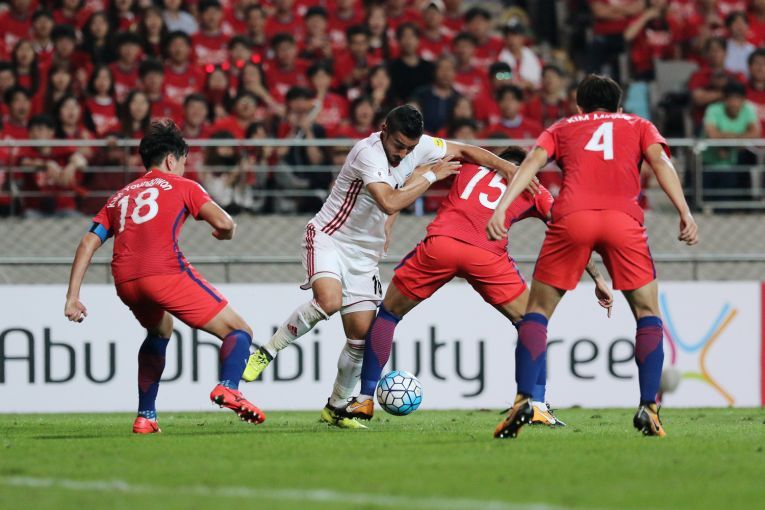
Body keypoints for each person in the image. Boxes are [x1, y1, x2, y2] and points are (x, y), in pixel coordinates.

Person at [241, 105, 535, 429]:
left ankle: (336, 407)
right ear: (384, 130)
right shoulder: (367, 153)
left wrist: (506, 167)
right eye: (398, 145)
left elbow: (465, 150)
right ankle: (266, 352)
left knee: (360, 339)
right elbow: (389, 201)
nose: (403, 154)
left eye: (410, 148)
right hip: (330, 238)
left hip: (365, 255)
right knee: (329, 301)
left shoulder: (420, 145)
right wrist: (431, 175)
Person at [485, 74, 698, 439]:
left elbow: (532, 162)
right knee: (647, 313)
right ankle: (649, 408)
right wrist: (684, 211)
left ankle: (523, 399)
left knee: (537, 312)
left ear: (579, 106)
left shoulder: (562, 127)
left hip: (572, 219)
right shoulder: (639, 125)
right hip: (623, 221)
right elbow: (661, 162)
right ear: (619, 107)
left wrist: (502, 208)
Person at [344, 147, 613, 425]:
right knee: (531, 323)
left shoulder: (470, 166)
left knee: (389, 315)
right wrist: (598, 278)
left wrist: (389, 221)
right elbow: (569, 232)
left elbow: (416, 175)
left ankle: (365, 397)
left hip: (442, 245)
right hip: (486, 256)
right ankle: (536, 404)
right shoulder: (534, 187)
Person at [64, 120, 265, 434]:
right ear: (172, 160)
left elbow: (88, 241)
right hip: (163, 272)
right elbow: (225, 223)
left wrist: (73, 296)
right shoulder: (184, 185)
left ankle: (146, 416)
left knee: (160, 330)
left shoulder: (120, 196)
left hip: (125, 280)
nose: (183, 167)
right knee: (239, 331)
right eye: (183, 161)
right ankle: (229, 387)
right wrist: (223, 233)